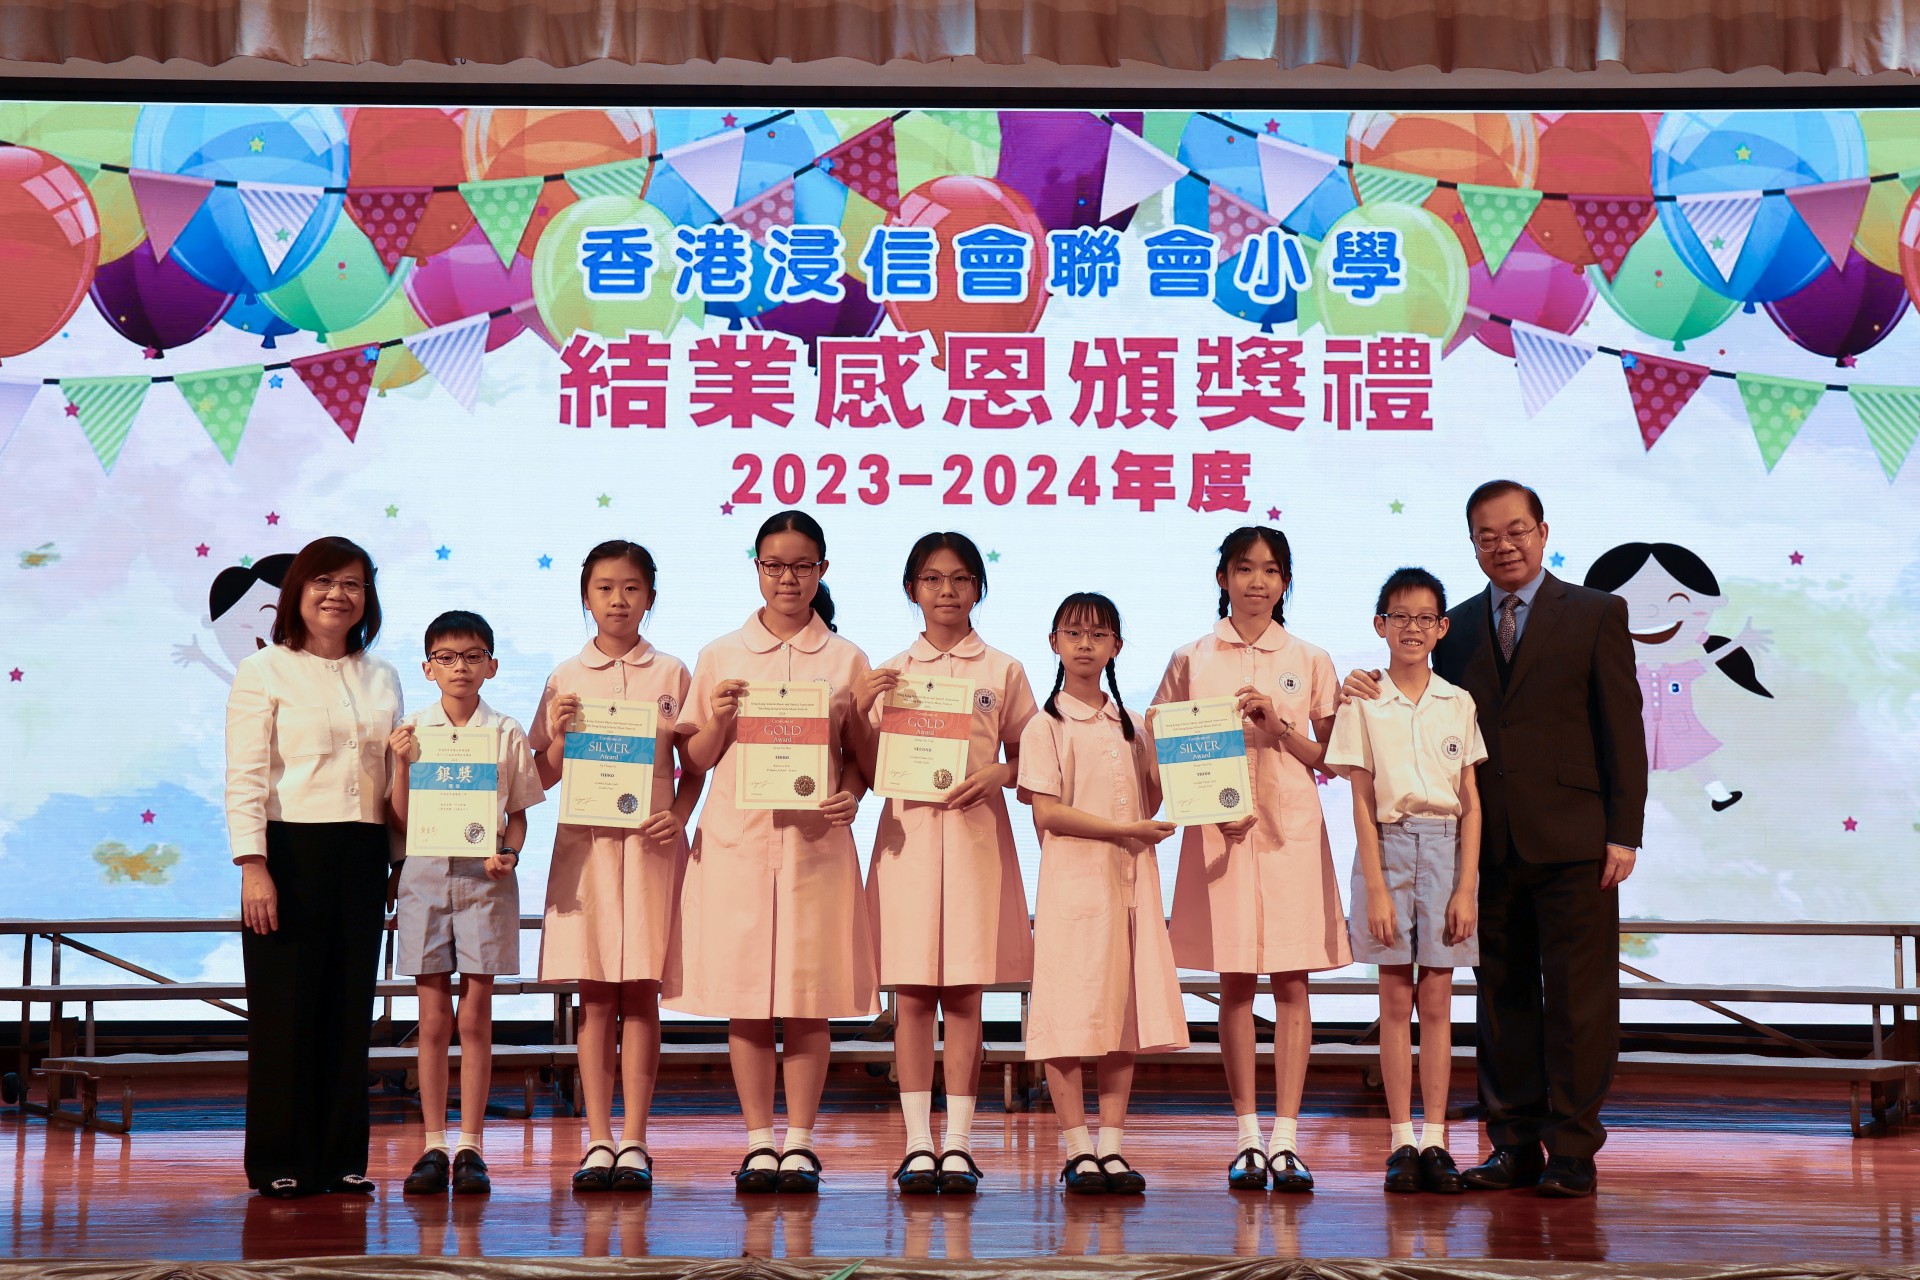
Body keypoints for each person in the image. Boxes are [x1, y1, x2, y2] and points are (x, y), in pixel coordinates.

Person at [1343, 481, 1646, 1198]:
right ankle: (1513, 1144)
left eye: (1516, 531)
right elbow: (1418, 699)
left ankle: (1572, 1150)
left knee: (1578, 1002)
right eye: (1487, 536)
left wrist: (1623, 833)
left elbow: (1623, 726)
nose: (1504, 545)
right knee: (1501, 1000)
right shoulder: (1458, 628)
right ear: (1473, 544)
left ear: (1543, 532)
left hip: (1575, 840)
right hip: (1482, 846)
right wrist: (1363, 681)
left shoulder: (1597, 612)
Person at [667, 510, 878, 1194]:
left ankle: (802, 1142)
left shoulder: (846, 659)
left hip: (816, 845)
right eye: (774, 566)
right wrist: (720, 718)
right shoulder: (721, 654)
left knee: (808, 998)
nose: (788, 579)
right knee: (748, 999)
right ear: (756, 568)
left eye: (802, 566)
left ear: (823, 570)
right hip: (739, 842)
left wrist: (850, 795)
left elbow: (862, 762)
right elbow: (696, 759)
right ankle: (760, 1142)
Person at [1150, 526, 1349, 1192]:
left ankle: (1286, 1139)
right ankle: (1246, 1137)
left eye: (1270, 570)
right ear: (1223, 578)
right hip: (1221, 835)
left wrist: (1278, 727)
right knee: (1234, 981)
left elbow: (1331, 758)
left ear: (1285, 582)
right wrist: (1205, 803)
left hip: (1291, 833)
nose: (1257, 582)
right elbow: (1165, 741)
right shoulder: (1191, 658)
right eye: (1244, 569)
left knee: (1292, 983)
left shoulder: (1310, 658)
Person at [857, 532, 1039, 1195]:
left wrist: (998, 774)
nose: (947, 591)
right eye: (932, 579)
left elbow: (1031, 755)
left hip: (974, 839)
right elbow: (867, 767)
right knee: (910, 995)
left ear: (978, 589)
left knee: (964, 995)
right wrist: (860, 709)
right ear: (912, 589)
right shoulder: (889, 673)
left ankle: (958, 1143)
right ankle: (915, 1142)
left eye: (961, 579)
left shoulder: (1003, 670)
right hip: (907, 841)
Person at [227, 536, 402, 1198]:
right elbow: (246, 775)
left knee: (349, 1011)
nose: (338, 594)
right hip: (289, 852)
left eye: (353, 583)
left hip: (364, 852)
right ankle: (280, 1158)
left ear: (367, 597)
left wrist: (398, 860)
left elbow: (392, 778)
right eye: (323, 581)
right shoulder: (264, 670)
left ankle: (341, 1159)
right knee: (286, 1011)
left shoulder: (383, 675)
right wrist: (253, 864)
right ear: (297, 592)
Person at [531, 541, 703, 1193]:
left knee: (641, 994)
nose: (618, 601)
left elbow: (696, 766)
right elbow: (539, 777)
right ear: (586, 597)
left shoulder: (673, 673)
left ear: (650, 597)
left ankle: (635, 1139)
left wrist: (679, 815)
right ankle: (598, 1138)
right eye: (605, 588)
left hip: (651, 849)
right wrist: (554, 735)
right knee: (597, 995)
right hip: (589, 852)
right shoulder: (565, 676)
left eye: (631, 588)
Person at [1019, 592, 1187, 1197]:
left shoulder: (1132, 725)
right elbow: (1047, 814)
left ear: (1116, 646)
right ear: (1054, 643)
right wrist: (1124, 831)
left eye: (1098, 635)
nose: (1085, 644)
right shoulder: (1045, 725)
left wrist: (1184, 749)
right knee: (1066, 1017)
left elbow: (1152, 799)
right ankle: (1076, 1150)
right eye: (1073, 633)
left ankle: (1111, 1147)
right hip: (1072, 888)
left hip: (1128, 885)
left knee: (1122, 1017)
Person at [1323, 568, 1484, 1196]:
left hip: (1446, 852)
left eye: (1424, 618)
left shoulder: (1458, 702)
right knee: (1394, 1002)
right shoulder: (1363, 702)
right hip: (1387, 849)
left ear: (1442, 627)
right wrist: (1377, 890)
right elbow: (1362, 802)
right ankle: (1399, 1141)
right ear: (1380, 625)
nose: (1412, 628)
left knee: (1438, 1002)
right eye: (1400, 617)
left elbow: (1471, 800)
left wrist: (1466, 887)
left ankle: (1436, 1139)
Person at [388, 610, 545, 1196]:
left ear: (492, 665)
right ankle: (433, 1144)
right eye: (447, 657)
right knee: (432, 1019)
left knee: (476, 1017)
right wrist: (400, 762)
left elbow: (519, 814)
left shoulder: (504, 732)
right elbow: (401, 818)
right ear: (428, 668)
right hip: (425, 878)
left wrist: (509, 853)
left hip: (485, 880)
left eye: (473, 656)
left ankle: (472, 1147)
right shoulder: (412, 730)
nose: (460, 667)